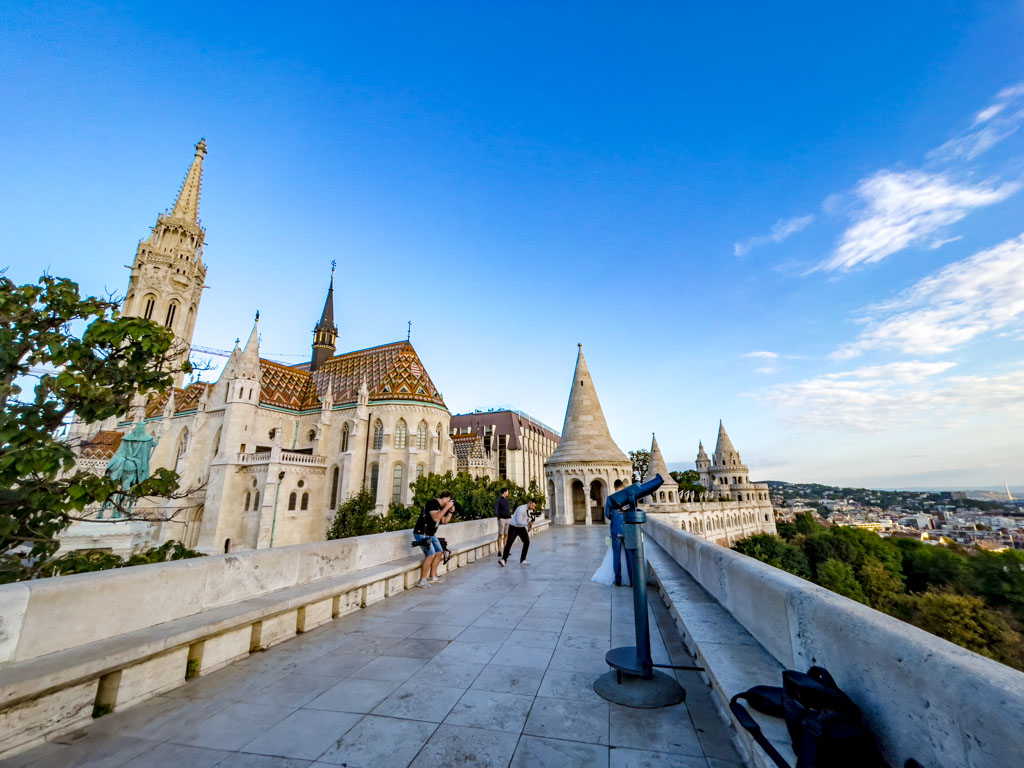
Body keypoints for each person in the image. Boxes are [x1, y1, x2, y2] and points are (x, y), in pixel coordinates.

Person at [413, 491, 454, 587]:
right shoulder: (432, 503)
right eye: (449, 501)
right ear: (447, 498)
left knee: (439, 551)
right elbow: (436, 518)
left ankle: (432, 576)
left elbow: (444, 521)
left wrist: (451, 512)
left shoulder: (440, 507)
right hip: (422, 533)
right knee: (430, 554)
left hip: (430, 534)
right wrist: (447, 507)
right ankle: (422, 580)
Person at [603, 479, 633, 586]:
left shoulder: (610, 498)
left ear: (614, 487)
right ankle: (632, 580)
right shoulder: (628, 497)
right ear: (623, 487)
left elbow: (607, 514)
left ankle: (618, 580)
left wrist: (615, 518)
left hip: (616, 529)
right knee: (629, 555)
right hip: (628, 529)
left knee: (617, 555)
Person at [499, 499, 535, 567]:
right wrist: (528, 523)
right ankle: (503, 560)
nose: (534, 508)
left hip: (521, 528)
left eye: (534, 506)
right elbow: (519, 521)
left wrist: (530, 525)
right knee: (509, 543)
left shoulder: (530, 510)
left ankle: (523, 560)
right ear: (529, 503)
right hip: (514, 527)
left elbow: (529, 518)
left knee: (527, 542)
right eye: (533, 506)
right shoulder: (521, 509)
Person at [494, 488, 511, 555]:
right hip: (502, 519)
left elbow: (508, 509)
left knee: (506, 534)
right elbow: (496, 509)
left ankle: (506, 550)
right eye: (507, 491)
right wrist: (499, 517)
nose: (508, 493)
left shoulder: (507, 501)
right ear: (504, 492)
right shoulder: (498, 500)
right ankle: (499, 550)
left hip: (508, 519)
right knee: (500, 534)